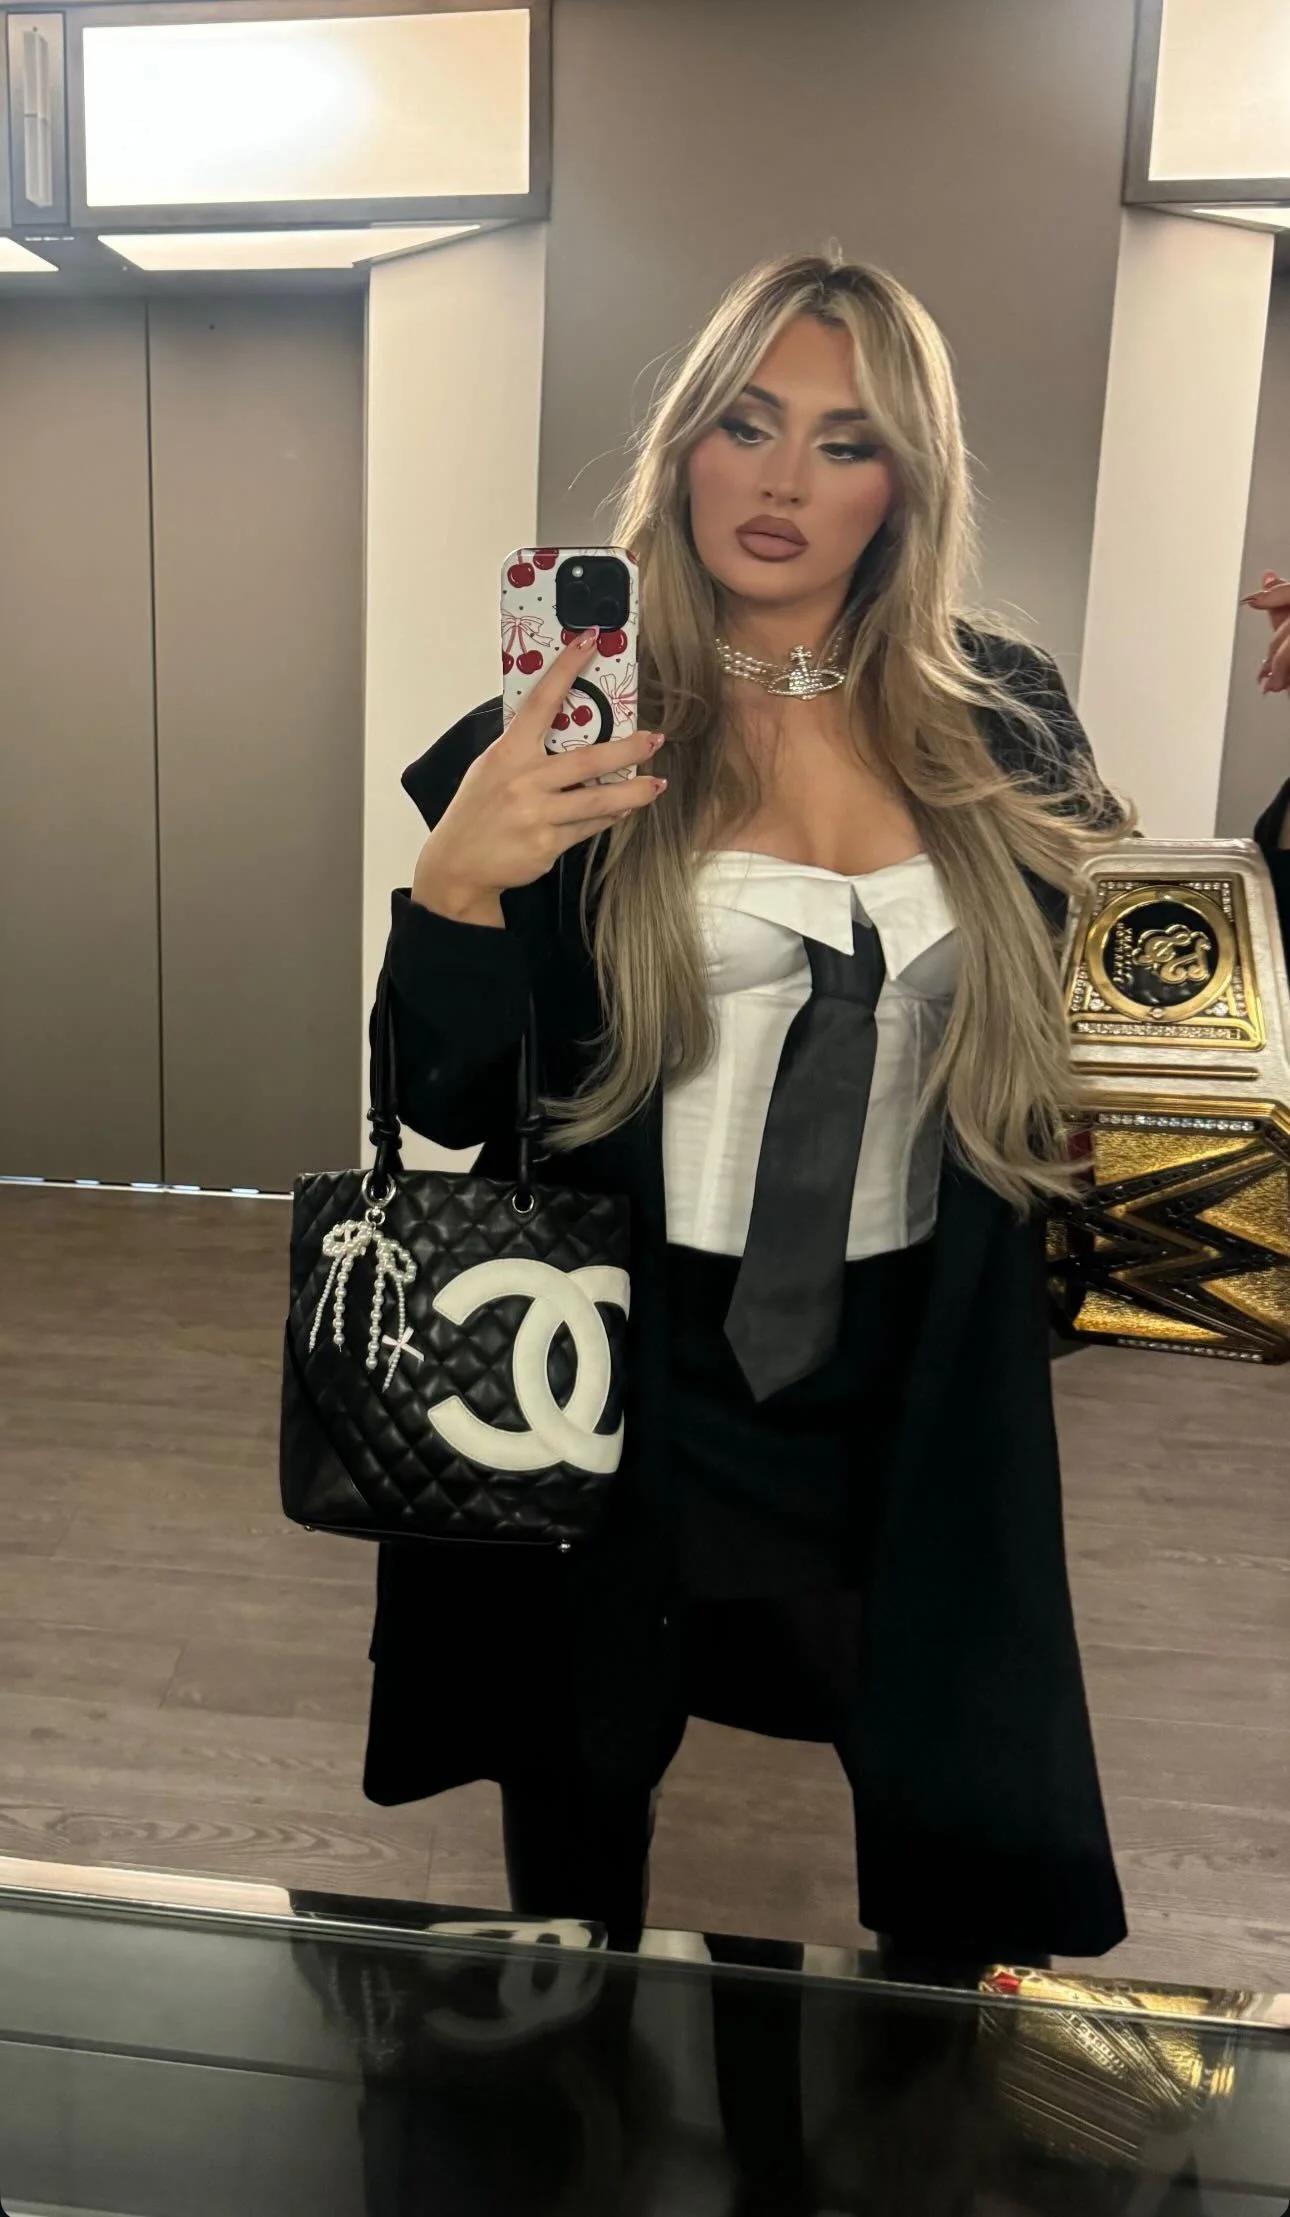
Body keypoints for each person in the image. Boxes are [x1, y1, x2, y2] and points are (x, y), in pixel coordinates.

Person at [360, 250, 1290, 1970]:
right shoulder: (576, 721)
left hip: (909, 1366)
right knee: (576, 1811)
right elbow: (445, 1096)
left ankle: (904, 2090)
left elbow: (1162, 984)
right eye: (746, 423)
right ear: (685, 447)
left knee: (948, 1828)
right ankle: (563, 2073)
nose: (781, 480)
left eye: (844, 442)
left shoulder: (999, 713)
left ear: (903, 486)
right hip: (616, 1360)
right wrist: (453, 893)